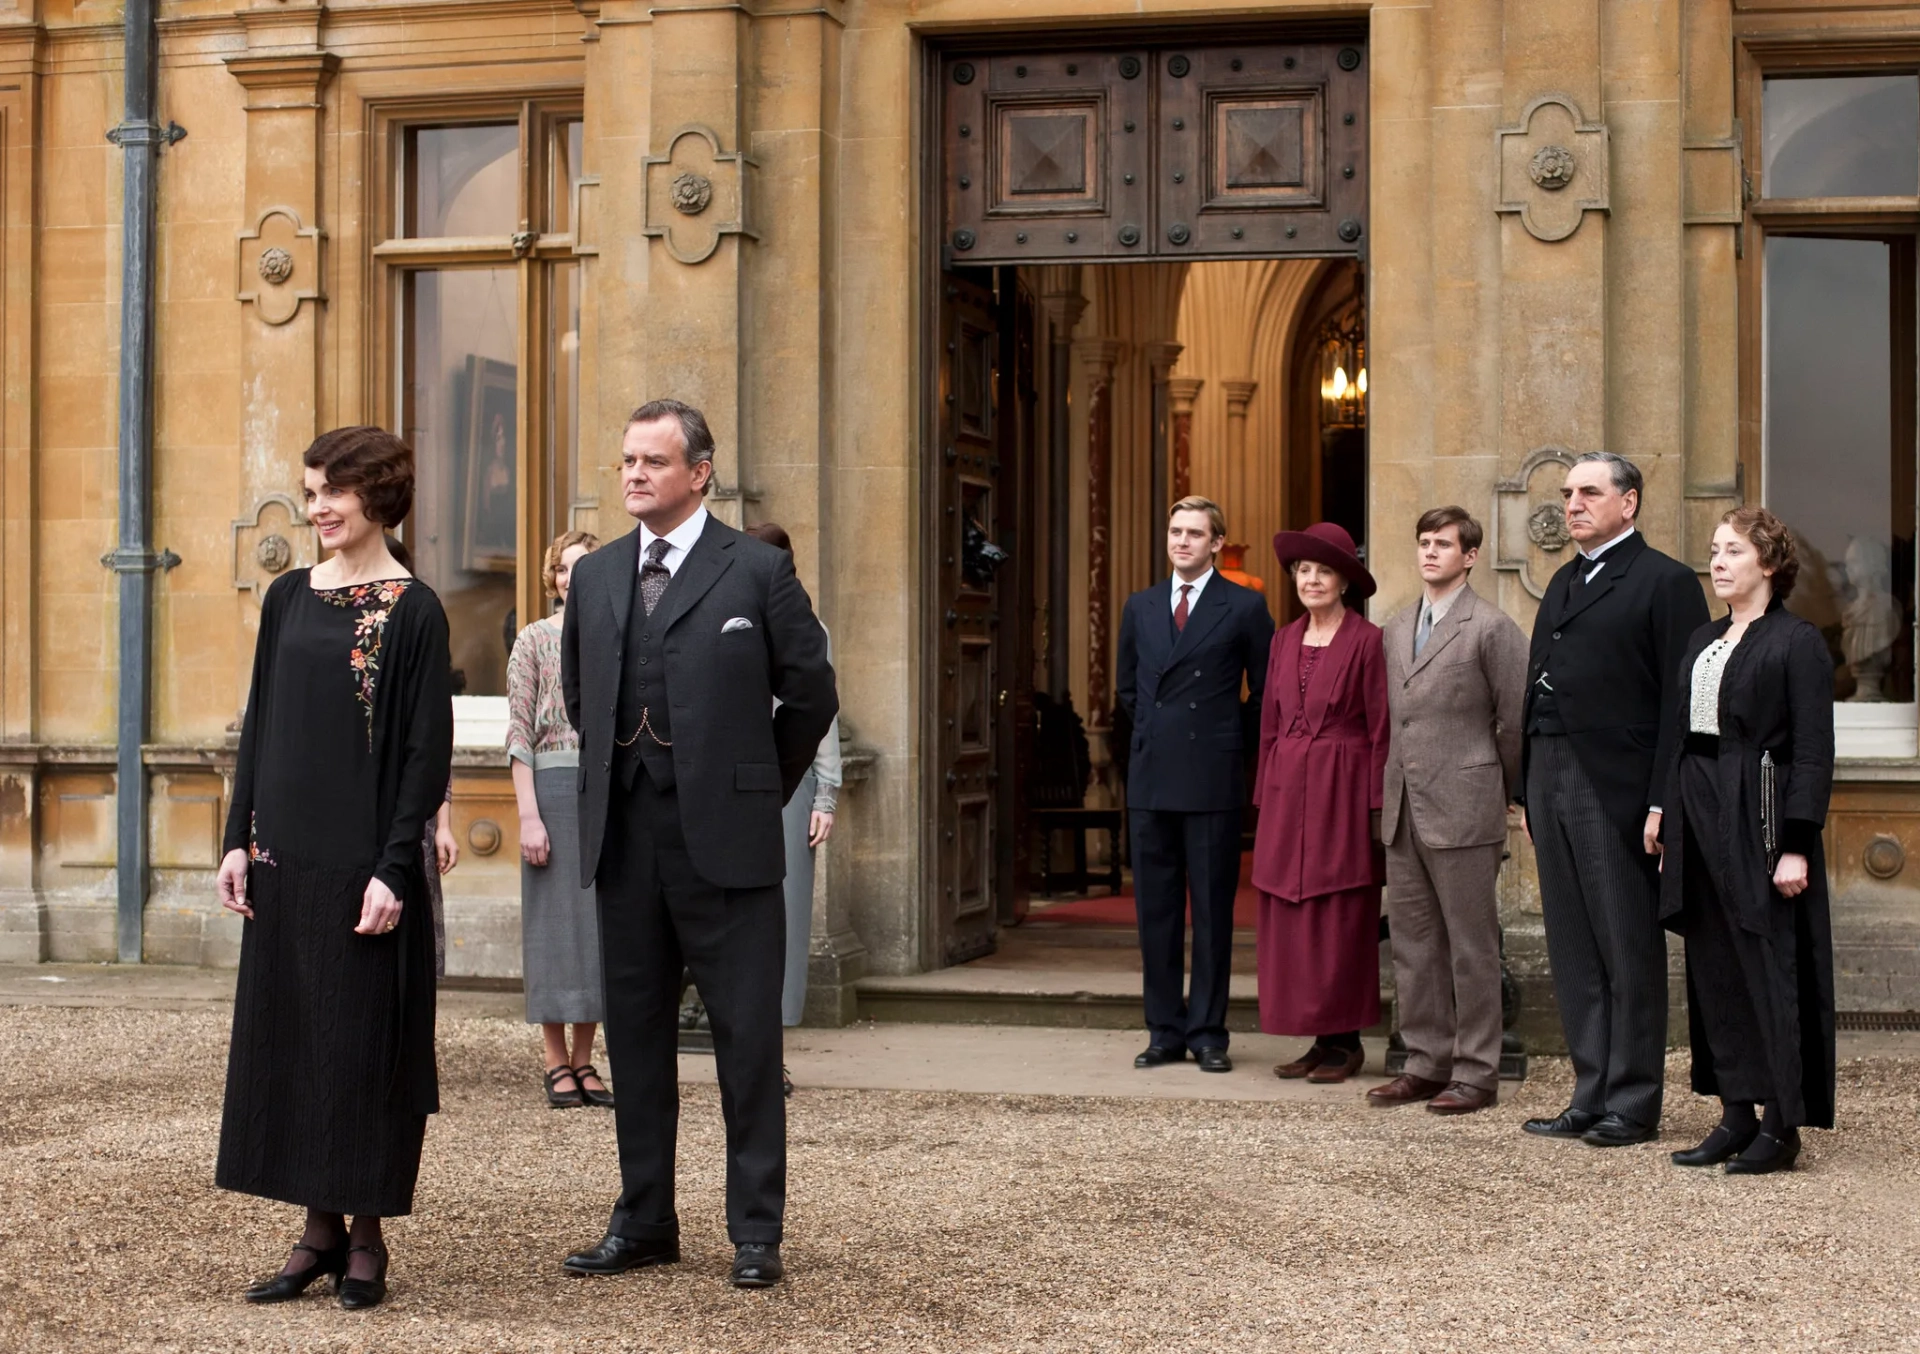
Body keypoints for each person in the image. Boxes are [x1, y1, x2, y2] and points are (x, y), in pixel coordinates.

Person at [559, 400, 837, 1289]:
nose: (635, 474)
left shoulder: (754, 571)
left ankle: (756, 1231)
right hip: (625, 841)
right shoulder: (598, 576)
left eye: (654, 461)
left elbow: (811, 694)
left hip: (729, 846)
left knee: (747, 1043)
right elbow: (577, 692)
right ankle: (644, 1220)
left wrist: (757, 787)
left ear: (700, 473)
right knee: (635, 1042)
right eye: (627, 460)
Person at [215, 427, 454, 1311]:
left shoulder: (414, 607)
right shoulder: (286, 597)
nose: (316, 506)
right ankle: (315, 1233)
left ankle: (365, 1241)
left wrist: (396, 869)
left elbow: (426, 757)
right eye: (310, 490)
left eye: (332, 492)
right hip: (284, 862)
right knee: (296, 1049)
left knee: (362, 1054)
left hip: (365, 869)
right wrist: (236, 839)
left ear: (378, 496)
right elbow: (261, 721)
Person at [1518, 452, 1709, 1147]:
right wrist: (1524, 787)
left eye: (1590, 493)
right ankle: (1590, 1090)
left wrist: (1664, 800)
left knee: (1627, 944)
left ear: (1628, 503)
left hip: (1618, 786)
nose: (1574, 503)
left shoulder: (1664, 582)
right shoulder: (1566, 580)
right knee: (1573, 945)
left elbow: (1680, 704)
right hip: (1549, 774)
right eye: (1568, 493)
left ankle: (1633, 1101)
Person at [1661, 508, 1836, 1175]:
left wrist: (1795, 842)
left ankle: (1781, 1123)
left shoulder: (1797, 642)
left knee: (1768, 962)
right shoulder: (1703, 638)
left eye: (1733, 550)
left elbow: (1814, 751)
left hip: (1757, 810)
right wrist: (1665, 815)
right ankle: (1735, 1113)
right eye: (1715, 550)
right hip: (1698, 803)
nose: (1719, 561)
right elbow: (1678, 733)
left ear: (1769, 563)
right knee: (1714, 963)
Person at [1369, 507, 1527, 1115]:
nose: (1431, 553)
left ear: (1470, 556)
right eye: (1424, 543)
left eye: (1444, 545)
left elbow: (1513, 722)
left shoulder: (1491, 627)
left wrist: (1505, 792)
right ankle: (1425, 1062)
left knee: (1471, 945)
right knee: (1413, 944)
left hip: (1465, 805)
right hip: (1404, 808)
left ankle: (1477, 1070)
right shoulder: (1395, 626)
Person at [1114, 496, 1274, 1073]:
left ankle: (1208, 1032)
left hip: (1212, 775)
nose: (1182, 541)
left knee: (1211, 911)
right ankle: (1163, 1030)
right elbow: (1127, 692)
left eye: (1194, 533)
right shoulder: (1141, 605)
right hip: (1152, 775)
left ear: (1216, 543)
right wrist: (1155, 737)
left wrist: (1231, 740)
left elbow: (1265, 691)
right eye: (1175, 531)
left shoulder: (1245, 607)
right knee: (1154, 912)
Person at [1253, 522, 1389, 1084]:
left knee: (1342, 916)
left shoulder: (1367, 641)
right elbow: (1268, 725)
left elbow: (1382, 728)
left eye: (1323, 571)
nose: (1311, 579)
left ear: (1344, 582)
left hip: (1344, 789)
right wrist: (1264, 796)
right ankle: (1317, 1035)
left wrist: (1378, 806)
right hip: (1288, 792)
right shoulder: (1282, 640)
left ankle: (1346, 1043)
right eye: (1303, 571)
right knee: (1294, 916)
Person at [507, 529, 612, 1110]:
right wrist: (528, 816)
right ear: (553, 578)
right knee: (553, 928)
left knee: (597, 927)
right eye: (564, 569)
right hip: (548, 788)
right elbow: (519, 732)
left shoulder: (615, 637)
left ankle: (586, 1059)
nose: (573, 578)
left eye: (584, 568)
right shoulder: (532, 641)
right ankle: (555, 1062)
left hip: (602, 790)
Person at [744, 521, 844, 1097]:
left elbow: (821, 714)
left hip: (789, 783)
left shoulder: (806, 626)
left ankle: (772, 1052)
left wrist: (825, 794)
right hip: (725, 782)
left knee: (782, 919)